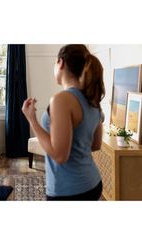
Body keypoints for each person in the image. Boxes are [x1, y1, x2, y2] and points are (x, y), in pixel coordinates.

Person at [22, 44, 105, 200]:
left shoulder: (62, 100)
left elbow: (59, 156)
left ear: (60, 62)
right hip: (93, 183)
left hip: (69, 191)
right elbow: (96, 144)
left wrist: (31, 119)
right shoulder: (93, 98)